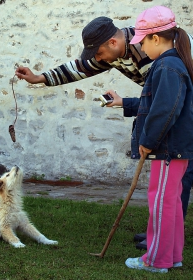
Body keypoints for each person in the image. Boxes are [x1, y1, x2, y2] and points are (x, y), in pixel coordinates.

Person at [15, 11, 193, 247]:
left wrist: (149, 137)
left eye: (99, 53)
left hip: (184, 117)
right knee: (168, 183)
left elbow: (164, 102)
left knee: (178, 180)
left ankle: (164, 238)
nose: (98, 59)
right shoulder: (115, 51)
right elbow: (78, 67)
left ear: (113, 42)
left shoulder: (153, 53)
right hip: (177, 112)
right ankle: (160, 232)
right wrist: (40, 78)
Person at [104, 5, 193, 273]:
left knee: (161, 203)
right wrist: (123, 103)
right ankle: (172, 256)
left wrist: (149, 140)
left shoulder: (167, 65)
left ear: (155, 38)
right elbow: (153, 102)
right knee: (171, 202)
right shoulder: (171, 64)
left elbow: (165, 109)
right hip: (173, 149)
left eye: (142, 42)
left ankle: (157, 260)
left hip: (167, 148)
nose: (141, 48)